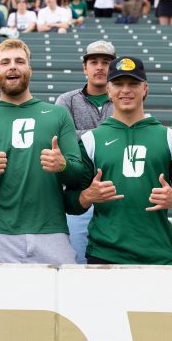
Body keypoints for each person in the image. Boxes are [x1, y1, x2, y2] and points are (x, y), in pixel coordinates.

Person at [65, 56, 172, 265]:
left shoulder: (169, 137)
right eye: (118, 84)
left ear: (145, 88)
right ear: (109, 90)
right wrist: (87, 196)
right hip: (104, 255)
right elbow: (72, 203)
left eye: (133, 84)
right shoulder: (91, 140)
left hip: (157, 254)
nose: (126, 90)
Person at [0, 38, 82, 264]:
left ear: (30, 69)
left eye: (20, 61)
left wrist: (63, 166)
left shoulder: (58, 115)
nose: (13, 66)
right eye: (6, 62)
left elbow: (78, 176)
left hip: (52, 231)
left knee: (60, 299)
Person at [55, 40, 116, 264]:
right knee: (77, 263)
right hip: (77, 191)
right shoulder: (66, 100)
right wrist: (108, 136)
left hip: (115, 192)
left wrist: (82, 135)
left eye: (106, 62)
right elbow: (64, 140)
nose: (100, 67)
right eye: (94, 62)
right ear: (85, 67)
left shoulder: (123, 97)